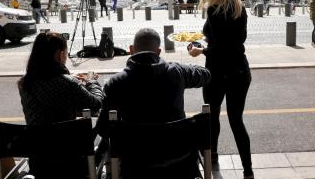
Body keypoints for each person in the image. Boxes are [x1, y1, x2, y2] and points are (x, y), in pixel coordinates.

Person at [95, 28, 211, 178]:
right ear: (159, 52)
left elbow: (103, 129)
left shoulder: (116, 83)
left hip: (135, 164)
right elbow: (205, 74)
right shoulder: (176, 72)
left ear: (131, 49)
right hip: (178, 160)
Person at [188, 0, 254, 179]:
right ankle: (248, 171)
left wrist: (200, 49)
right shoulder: (238, 7)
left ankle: (213, 157)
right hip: (240, 70)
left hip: (218, 71)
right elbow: (234, 42)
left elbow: (220, 48)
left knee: (212, 116)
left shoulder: (214, 10)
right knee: (237, 120)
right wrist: (207, 41)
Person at [18, 32, 104, 179]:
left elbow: (49, 104)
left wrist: (72, 81)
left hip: (40, 163)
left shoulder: (25, 83)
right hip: (70, 163)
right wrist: (91, 82)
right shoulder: (67, 83)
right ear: (60, 54)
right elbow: (95, 104)